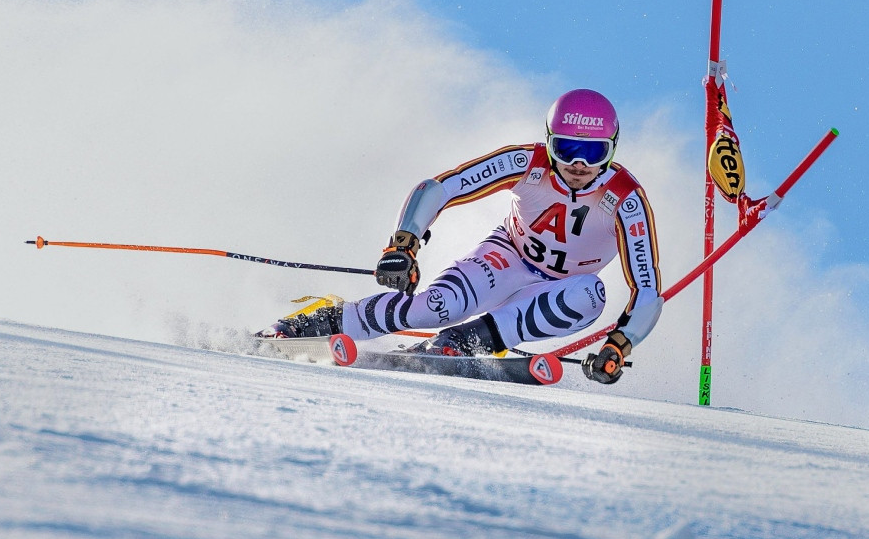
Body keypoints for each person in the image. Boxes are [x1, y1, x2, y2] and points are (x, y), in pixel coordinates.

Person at [259, 89, 662, 384]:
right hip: (507, 258)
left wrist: (619, 345)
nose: (577, 164)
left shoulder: (625, 199)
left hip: (559, 290)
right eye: (566, 147)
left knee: (591, 294)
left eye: (591, 153)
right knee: (437, 305)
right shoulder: (526, 162)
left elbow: (647, 290)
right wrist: (404, 244)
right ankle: (319, 321)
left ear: (611, 151)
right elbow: (438, 188)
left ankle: (465, 342)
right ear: (548, 142)